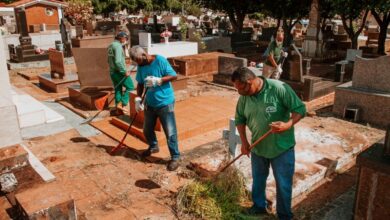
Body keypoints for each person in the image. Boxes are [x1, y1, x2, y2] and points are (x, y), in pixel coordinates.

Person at [231, 67, 306, 220]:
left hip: (282, 148)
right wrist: (244, 142)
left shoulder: (278, 88)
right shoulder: (244, 97)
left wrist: (287, 125)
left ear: (250, 82)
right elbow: (240, 119)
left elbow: (300, 109)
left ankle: (284, 215)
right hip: (258, 149)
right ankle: (259, 206)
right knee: (258, 180)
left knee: (283, 184)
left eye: (241, 88)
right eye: (236, 89)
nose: (239, 93)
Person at [130, 46, 180, 171]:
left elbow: (174, 76)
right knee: (147, 129)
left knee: (170, 132)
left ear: (144, 55)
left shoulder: (160, 60)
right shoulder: (141, 66)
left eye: (139, 61)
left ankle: (175, 157)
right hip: (150, 103)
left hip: (165, 102)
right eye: (137, 62)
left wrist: (159, 80)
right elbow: (140, 83)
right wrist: (138, 98)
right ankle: (153, 146)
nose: (139, 64)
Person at [108, 32, 134, 114]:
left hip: (112, 72)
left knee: (118, 89)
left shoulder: (111, 45)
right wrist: (124, 71)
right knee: (130, 87)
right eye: (125, 38)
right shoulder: (118, 46)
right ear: (121, 38)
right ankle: (122, 103)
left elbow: (108, 60)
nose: (126, 40)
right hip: (119, 72)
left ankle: (118, 109)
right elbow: (118, 61)